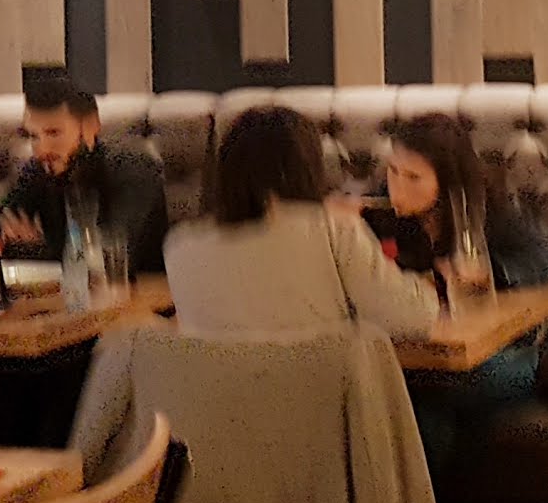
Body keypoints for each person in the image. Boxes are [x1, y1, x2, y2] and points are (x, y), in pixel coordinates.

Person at [359, 113, 548, 470]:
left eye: (413, 177)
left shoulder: (488, 207)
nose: (397, 187)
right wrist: (340, 229)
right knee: (423, 404)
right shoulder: (377, 215)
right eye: (393, 171)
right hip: (422, 358)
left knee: (431, 392)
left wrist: (493, 272)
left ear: (445, 179)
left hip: (506, 353)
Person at [165, 105, 439, 339]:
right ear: (308, 167)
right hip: (323, 386)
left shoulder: (179, 247)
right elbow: (412, 319)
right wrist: (426, 286)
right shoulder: (335, 230)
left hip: (220, 388)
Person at [0, 76, 171, 274]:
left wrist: (35, 249)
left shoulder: (135, 170)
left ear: (90, 127)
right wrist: (14, 242)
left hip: (139, 291)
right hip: (64, 291)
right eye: (33, 136)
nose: (42, 149)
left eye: (53, 133)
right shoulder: (39, 171)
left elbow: (112, 256)